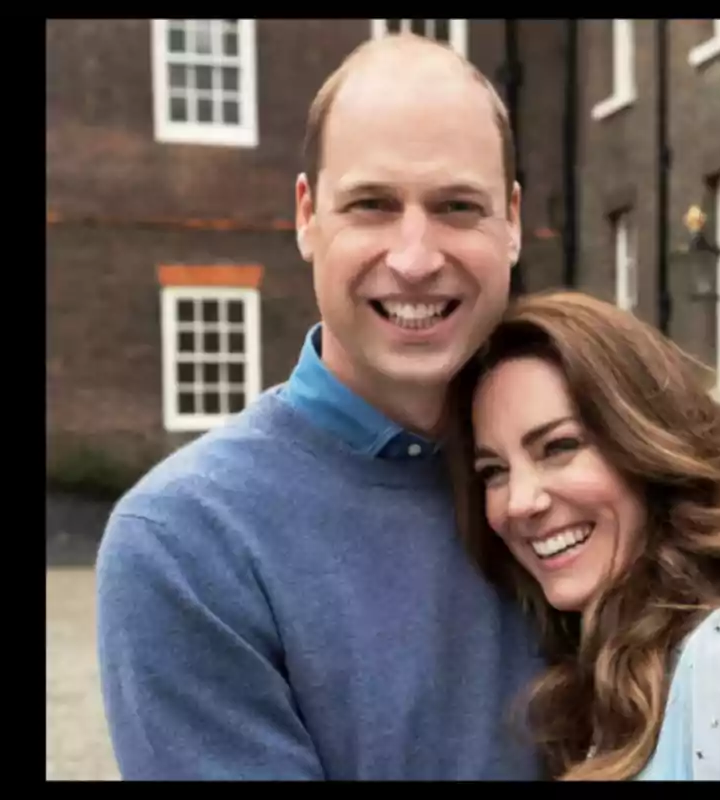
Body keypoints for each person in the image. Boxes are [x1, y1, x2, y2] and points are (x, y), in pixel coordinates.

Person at [95, 33, 546, 780]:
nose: (414, 258)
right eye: (371, 205)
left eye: (457, 206)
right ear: (307, 216)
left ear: (513, 221)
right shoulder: (187, 542)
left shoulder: (585, 486)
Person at [443, 290, 720, 781]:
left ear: (643, 445)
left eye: (558, 447)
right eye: (494, 471)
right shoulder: (606, 669)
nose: (519, 502)